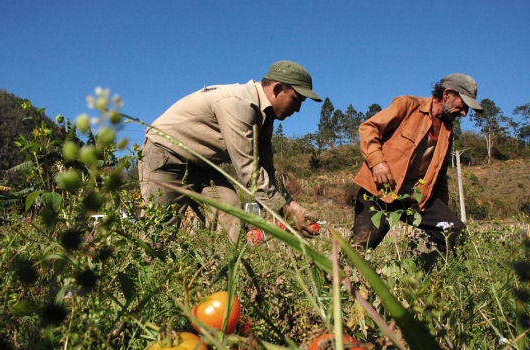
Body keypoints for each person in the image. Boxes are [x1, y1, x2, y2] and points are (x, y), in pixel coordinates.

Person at [138, 60, 322, 243]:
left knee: (230, 208)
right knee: (159, 231)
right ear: (277, 88)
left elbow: (266, 169)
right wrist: (285, 211)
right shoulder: (239, 104)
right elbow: (248, 170)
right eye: (296, 100)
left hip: (203, 165)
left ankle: (224, 268)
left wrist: (293, 207)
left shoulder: (265, 117)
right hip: (168, 157)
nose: (298, 109)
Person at [351, 73, 483, 265]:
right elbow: (369, 128)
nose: (464, 113)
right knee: (358, 252)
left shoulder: (447, 131)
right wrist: (377, 162)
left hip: (416, 199)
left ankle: (429, 282)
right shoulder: (408, 105)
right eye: (463, 105)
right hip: (380, 193)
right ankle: (341, 289)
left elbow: (440, 175)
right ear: (447, 94)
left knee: (456, 233)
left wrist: (443, 209)